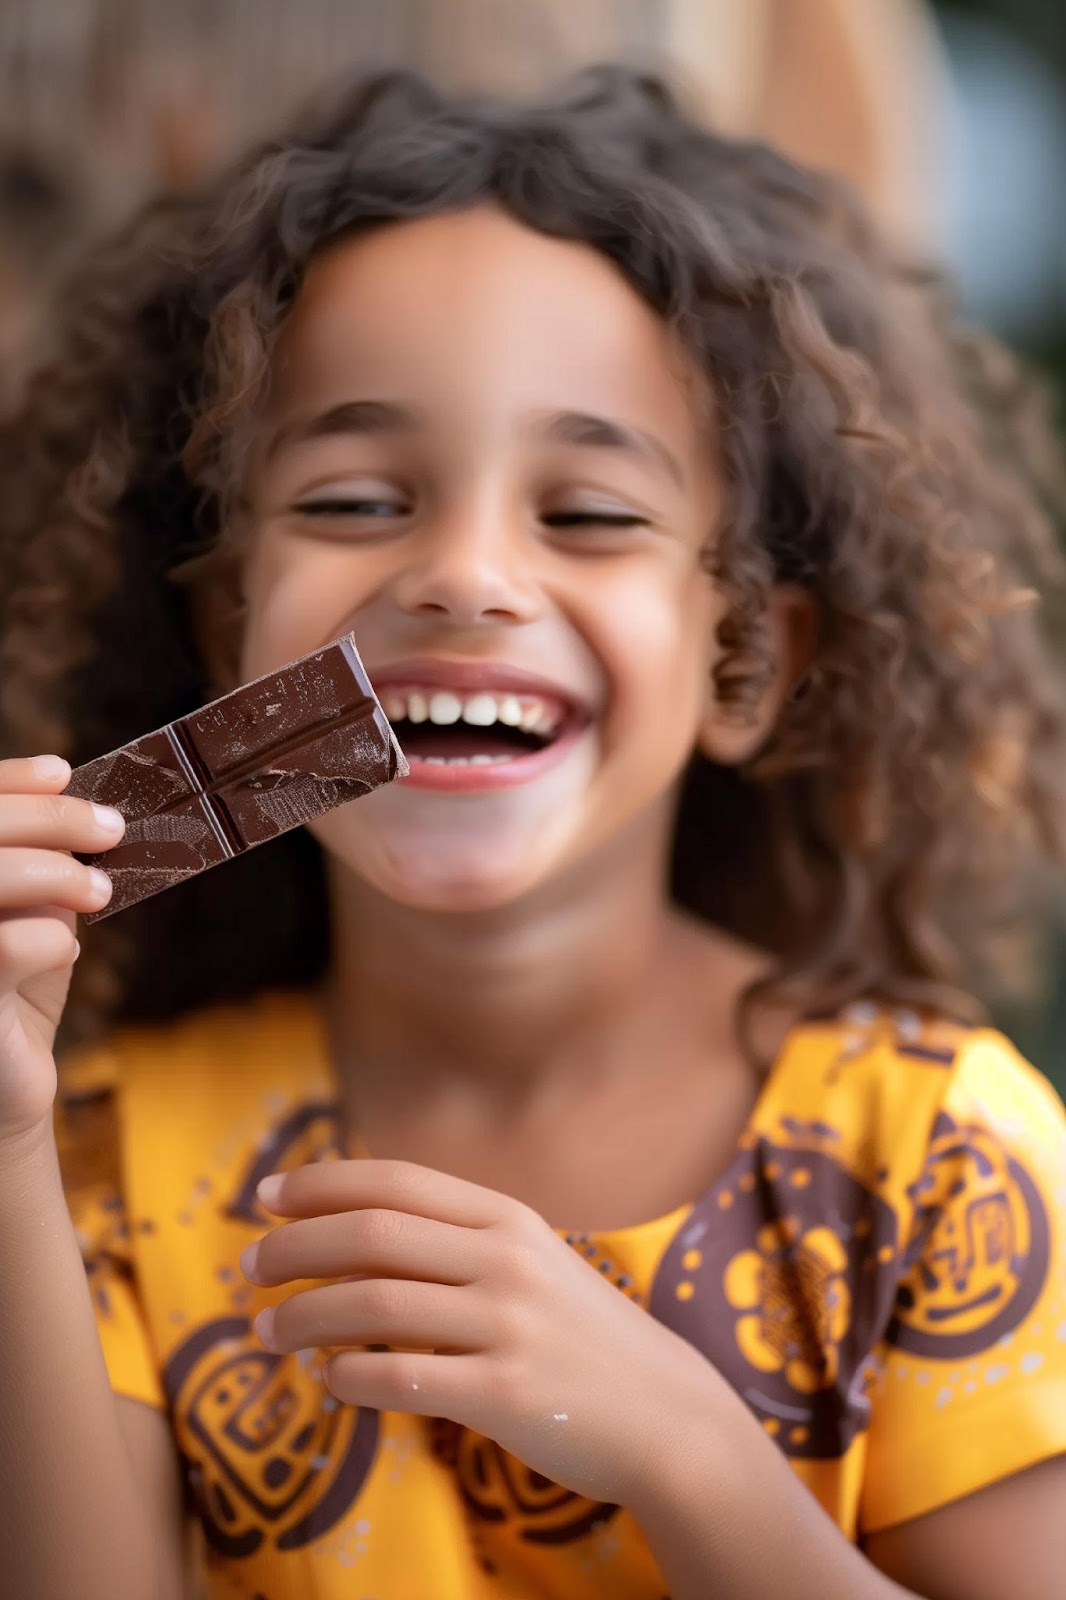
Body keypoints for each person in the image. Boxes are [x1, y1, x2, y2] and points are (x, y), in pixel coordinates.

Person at [0, 66, 1064, 1600]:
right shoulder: (96, 1153)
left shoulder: (945, 1164)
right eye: (359, 500)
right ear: (231, 630)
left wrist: (687, 1454)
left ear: (748, 666)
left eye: (590, 513)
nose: (466, 574)